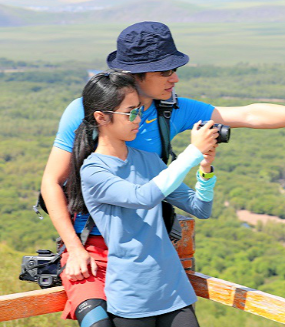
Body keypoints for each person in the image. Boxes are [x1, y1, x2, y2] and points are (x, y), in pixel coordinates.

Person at [41, 21, 285, 325]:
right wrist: (75, 247)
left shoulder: (169, 109)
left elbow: (249, 114)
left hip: (149, 249)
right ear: (136, 74)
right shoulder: (88, 111)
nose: (175, 78)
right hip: (91, 244)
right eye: (166, 71)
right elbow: (52, 183)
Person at [65, 71, 218, 326]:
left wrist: (205, 169)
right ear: (101, 118)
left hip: (173, 289)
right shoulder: (94, 171)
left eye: (140, 111)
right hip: (131, 297)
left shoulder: (148, 160)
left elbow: (199, 208)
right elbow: (144, 197)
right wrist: (191, 152)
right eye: (131, 113)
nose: (140, 119)